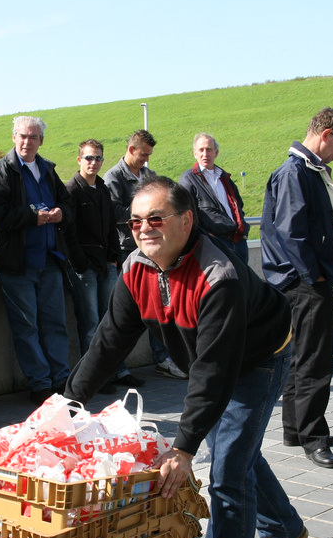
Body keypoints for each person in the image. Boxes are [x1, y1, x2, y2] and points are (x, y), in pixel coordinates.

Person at [64, 177, 306, 538]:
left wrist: (183, 448)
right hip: (211, 361)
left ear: (186, 220)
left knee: (227, 469)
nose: (144, 229)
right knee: (237, 452)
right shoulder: (136, 268)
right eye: (135, 221)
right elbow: (109, 342)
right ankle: (284, 527)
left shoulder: (218, 276)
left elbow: (214, 372)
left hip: (257, 358)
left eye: (156, 218)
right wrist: (67, 405)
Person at [261, 108, 333, 469]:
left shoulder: (306, 171)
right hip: (304, 284)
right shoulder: (296, 173)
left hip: (301, 282)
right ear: (326, 135)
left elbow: (313, 225)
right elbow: (293, 234)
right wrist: (317, 278)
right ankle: (314, 437)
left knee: (301, 359)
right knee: (315, 361)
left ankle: (296, 429)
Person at [0, 116, 85, 405]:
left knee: (55, 324)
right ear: (14, 137)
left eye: (33, 137)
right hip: (17, 264)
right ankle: (40, 385)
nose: (27, 142)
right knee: (26, 327)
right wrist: (32, 217)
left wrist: (61, 213)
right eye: (22, 136)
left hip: (50, 260)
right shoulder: (0, 172)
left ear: (41, 141)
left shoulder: (47, 169)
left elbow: (68, 203)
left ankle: (61, 381)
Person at [64, 139, 144, 394]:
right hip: (84, 266)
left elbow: (111, 226)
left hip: (106, 263)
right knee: (90, 324)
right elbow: (68, 231)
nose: (93, 162)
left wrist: (113, 257)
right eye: (89, 158)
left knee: (111, 321)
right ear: (79, 160)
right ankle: (93, 378)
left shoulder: (102, 188)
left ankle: (118, 371)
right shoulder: (71, 191)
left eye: (98, 158)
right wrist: (80, 262)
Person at [104, 130, 186, 380]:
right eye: (143, 154)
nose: (146, 160)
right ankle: (118, 368)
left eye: (149, 155)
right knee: (125, 313)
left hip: (153, 252)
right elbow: (114, 213)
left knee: (160, 308)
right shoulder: (113, 177)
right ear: (131, 150)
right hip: (127, 252)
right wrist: (145, 213)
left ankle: (164, 359)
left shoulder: (149, 176)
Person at [179, 133, 250, 261]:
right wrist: (206, 237)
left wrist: (242, 229)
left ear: (216, 153)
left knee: (243, 274)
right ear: (195, 153)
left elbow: (239, 205)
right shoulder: (188, 179)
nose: (205, 154)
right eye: (201, 150)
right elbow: (185, 213)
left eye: (209, 149)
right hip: (213, 244)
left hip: (237, 241)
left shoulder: (224, 177)